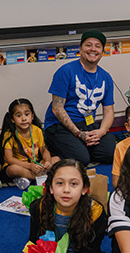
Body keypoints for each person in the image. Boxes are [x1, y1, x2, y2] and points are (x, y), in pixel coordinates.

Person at [44, 30, 116, 165]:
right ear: (80, 48)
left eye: (98, 46)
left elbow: (108, 111)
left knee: (110, 153)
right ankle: (60, 150)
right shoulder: (66, 71)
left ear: (102, 51)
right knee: (81, 159)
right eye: (88, 45)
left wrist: (101, 131)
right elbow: (57, 109)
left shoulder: (106, 77)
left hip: (88, 124)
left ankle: (80, 148)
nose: (93, 49)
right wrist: (78, 134)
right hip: (60, 126)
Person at [0, 98, 59, 190]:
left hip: (36, 163)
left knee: (56, 159)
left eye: (27, 114)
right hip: (21, 166)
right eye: (18, 116)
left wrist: (47, 161)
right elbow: (9, 158)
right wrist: (30, 166)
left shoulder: (37, 130)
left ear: (32, 116)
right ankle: (41, 177)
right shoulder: (9, 134)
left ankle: (28, 178)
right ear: (12, 119)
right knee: (13, 169)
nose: (23, 118)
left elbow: (44, 150)